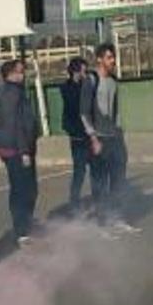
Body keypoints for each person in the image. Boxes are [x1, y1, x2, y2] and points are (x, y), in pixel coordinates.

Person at [80, 44, 139, 233]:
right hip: (99, 139)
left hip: (115, 138)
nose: (112, 60)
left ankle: (117, 218)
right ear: (99, 59)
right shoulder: (91, 80)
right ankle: (102, 223)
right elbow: (84, 113)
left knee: (118, 180)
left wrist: (119, 132)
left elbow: (115, 111)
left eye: (113, 57)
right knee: (99, 183)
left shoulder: (114, 80)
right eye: (108, 57)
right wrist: (94, 138)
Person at [0, 59, 40, 246]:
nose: (23, 74)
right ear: (10, 74)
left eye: (24, 71)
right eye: (20, 72)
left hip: (21, 148)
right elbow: (14, 125)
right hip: (16, 150)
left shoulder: (18, 91)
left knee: (29, 189)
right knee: (22, 190)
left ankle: (25, 225)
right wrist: (23, 151)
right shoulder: (11, 94)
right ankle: (21, 230)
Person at [60, 57, 91, 214]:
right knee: (79, 170)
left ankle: (98, 197)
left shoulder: (85, 85)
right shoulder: (67, 88)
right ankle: (74, 201)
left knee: (96, 168)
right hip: (78, 135)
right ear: (76, 71)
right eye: (84, 70)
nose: (86, 73)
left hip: (90, 134)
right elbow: (76, 106)